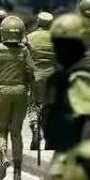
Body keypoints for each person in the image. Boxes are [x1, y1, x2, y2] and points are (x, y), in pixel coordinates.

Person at [39, 13, 90, 155]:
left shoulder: (81, 76)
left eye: (67, 46)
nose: (60, 50)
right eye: (58, 44)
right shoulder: (61, 76)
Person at [0, 15, 34, 180]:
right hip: (21, 92)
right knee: (16, 133)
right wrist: (32, 93)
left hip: (1, 92)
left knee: (1, 130)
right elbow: (31, 72)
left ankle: (3, 156)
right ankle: (17, 173)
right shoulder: (24, 50)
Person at [27, 11, 58, 156]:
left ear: (38, 22)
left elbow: (24, 57)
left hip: (36, 76)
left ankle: (35, 130)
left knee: (33, 105)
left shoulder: (30, 37)